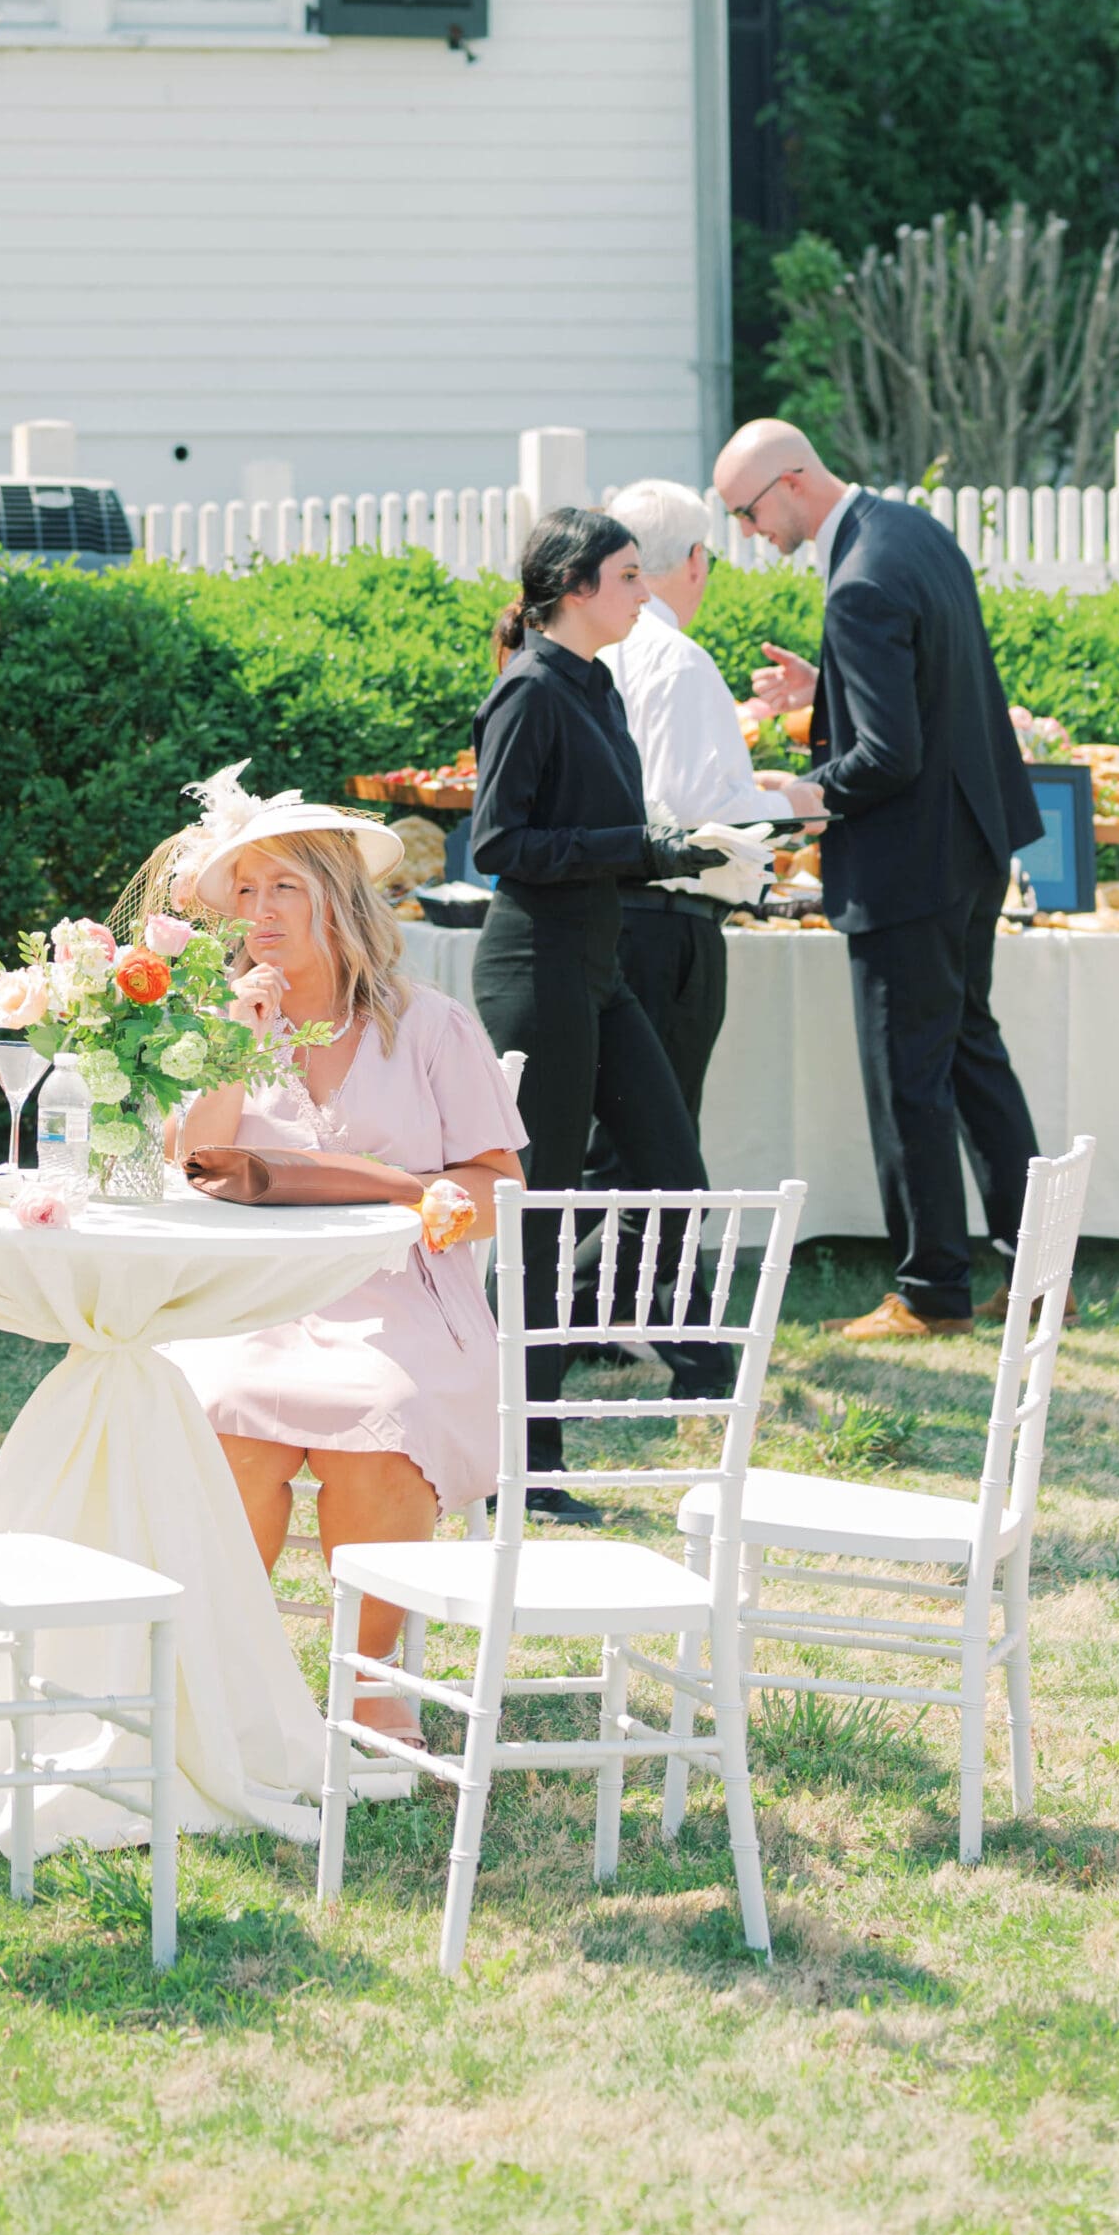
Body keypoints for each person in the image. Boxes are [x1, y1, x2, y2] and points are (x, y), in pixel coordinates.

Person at [155, 780, 526, 1742]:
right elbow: (186, 1166)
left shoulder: (430, 1022)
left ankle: (365, 1682)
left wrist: (436, 1205)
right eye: (243, 894)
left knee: (380, 1415)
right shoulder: (220, 1022)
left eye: (282, 888)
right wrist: (233, 1042)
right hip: (254, 1301)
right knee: (223, 1416)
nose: (259, 913)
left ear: (337, 898)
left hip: (401, 1295)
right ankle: (238, 1676)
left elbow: (497, 1182)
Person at [710, 417, 1045, 1339]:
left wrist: (798, 793)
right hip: (975, 842)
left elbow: (889, 759)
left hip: (911, 864)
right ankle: (1035, 1271)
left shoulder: (857, 579)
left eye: (746, 511)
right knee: (973, 1056)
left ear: (789, 482)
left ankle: (931, 1291)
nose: (748, 533)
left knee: (911, 1079)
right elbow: (928, 692)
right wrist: (830, 692)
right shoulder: (911, 532)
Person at [469, 509, 742, 1502]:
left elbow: (596, 830)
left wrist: (659, 848)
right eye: (631, 576)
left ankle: (550, 1359)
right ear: (578, 587)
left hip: (599, 963)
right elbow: (497, 847)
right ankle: (519, 1459)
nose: (646, 591)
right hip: (535, 966)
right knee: (538, 1213)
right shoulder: (531, 692)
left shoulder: (598, 686)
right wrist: (645, 851)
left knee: (671, 1171)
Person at [597, 476, 785, 1136]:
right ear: (696, 561)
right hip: (666, 919)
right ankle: (654, 1246)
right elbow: (700, 811)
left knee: (608, 1138)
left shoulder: (589, 645)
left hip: (600, 909)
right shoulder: (675, 658)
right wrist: (789, 798)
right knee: (657, 1142)